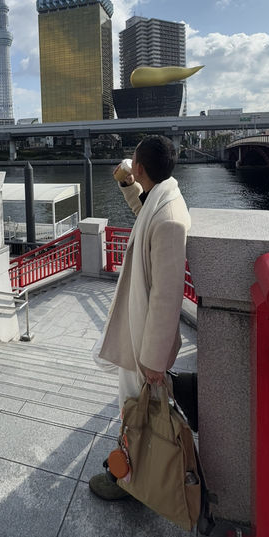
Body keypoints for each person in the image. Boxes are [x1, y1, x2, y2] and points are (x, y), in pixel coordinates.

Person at [89, 135, 191, 500]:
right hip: (140, 333)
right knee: (133, 412)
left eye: (134, 163)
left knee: (134, 414)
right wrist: (126, 185)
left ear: (142, 166)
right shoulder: (165, 201)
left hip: (144, 343)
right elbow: (143, 213)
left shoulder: (169, 221)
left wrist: (152, 360)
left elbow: (167, 297)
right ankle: (130, 476)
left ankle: (127, 483)